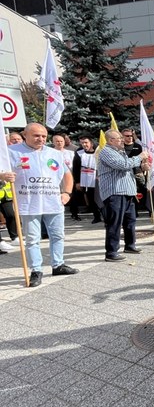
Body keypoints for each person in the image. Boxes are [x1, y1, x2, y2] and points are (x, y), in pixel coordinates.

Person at [3, 122, 79, 287]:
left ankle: (58, 264)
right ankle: (36, 270)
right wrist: (3, 176)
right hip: (29, 203)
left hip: (53, 202)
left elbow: (67, 175)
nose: (41, 139)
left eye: (44, 136)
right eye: (36, 135)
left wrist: (67, 193)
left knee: (57, 235)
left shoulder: (54, 153)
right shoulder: (11, 153)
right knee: (32, 239)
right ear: (25, 134)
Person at [98, 129, 150, 262]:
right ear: (110, 141)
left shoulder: (120, 152)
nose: (122, 140)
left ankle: (130, 245)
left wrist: (142, 167)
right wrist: (139, 157)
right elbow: (123, 165)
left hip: (128, 191)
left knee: (130, 221)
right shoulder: (106, 152)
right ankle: (111, 252)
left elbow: (129, 168)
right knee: (114, 223)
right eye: (119, 138)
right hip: (115, 192)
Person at [72, 135, 101, 223]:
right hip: (86, 179)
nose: (84, 145)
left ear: (91, 143)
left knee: (101, 198)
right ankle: (96, 216)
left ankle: (105, 215)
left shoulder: (99, 151)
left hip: (98, 179)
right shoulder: (79, 152)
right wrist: (77, 181)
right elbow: (76, 167)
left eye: (86, 142)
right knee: (91, 199)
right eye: (82, 143)